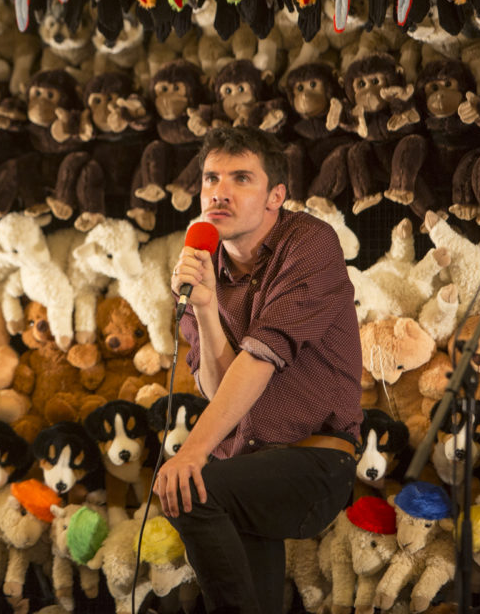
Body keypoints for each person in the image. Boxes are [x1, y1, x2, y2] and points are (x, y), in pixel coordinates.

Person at [154, 126, 361, 614]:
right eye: (211, 179)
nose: (219, 192)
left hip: (316, 460)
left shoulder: (309, 241)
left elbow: (263, 355)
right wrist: (205, 308)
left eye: (241, 178)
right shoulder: (201, 265)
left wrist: (192, 452)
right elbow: (219, 388)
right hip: (246, 460)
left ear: (275, 196)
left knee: (195, 491)